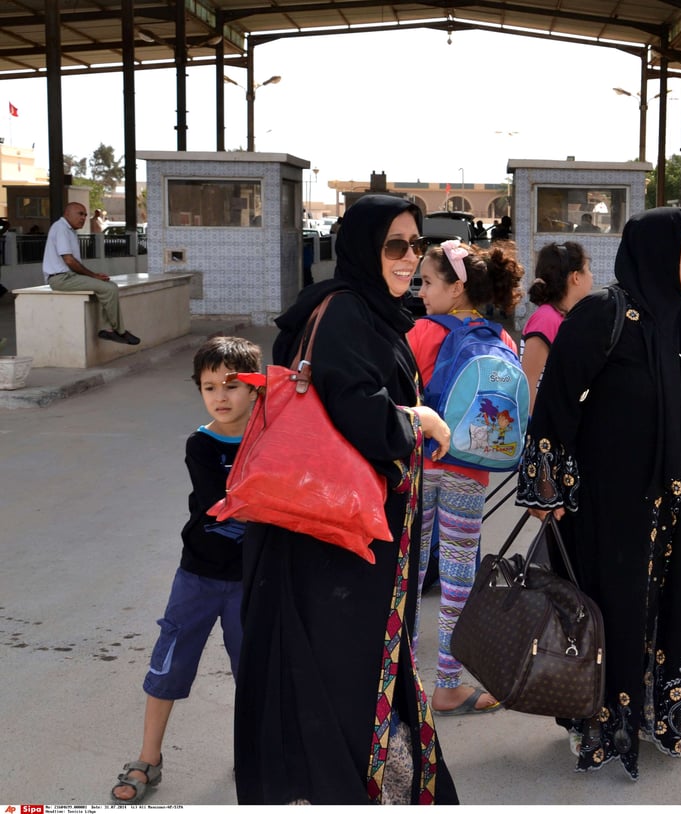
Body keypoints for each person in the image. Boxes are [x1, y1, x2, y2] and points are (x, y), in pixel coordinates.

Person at [517, 207, 681, 778]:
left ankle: (666, 715)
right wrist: (544, 484)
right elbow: (553, 407)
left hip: (672, 499)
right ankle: (602, 721)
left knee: (673, 607)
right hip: (609, 506)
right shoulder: (602, 315)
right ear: (660, 252)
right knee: (611, 610)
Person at [235, 195, 459, 804]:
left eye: (418, 245)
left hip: (342, 531)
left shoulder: (364, 311)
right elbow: (360, 413)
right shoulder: (346, 315)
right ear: (363, 248)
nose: (410, 258)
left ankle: (351, 785)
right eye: (395, 246)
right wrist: (420, 419)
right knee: (344, 671)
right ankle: (349, 789)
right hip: (337, 541)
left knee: (347, 669)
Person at [108, 336, 261, 803]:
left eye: (232, 385)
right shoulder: (202, 444)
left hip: (252, 580)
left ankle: (255, 755)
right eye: (209, 386)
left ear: (256, 388)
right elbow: (225, 502)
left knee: (254, 672)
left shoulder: (273, 437)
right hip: (197, 575)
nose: (220, 396)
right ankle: (148, 757)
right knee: (169, 663)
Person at [406, 239, 524, 715]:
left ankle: (403, 682)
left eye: (428, 282)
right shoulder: (504, 340)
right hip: (471, 469)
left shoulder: (417, 334)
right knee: (458, 579)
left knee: (408, 576)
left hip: (419, 464)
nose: (420, 291)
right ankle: (449, 685)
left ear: (457, 288)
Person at [42, 202, 140, 345]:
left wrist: (93, 276)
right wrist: (93, 276)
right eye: (80, 214)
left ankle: (110, 329)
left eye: (85, 214)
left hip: (68, 277)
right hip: (60, 279)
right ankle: (119, 331)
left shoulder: (68, 229)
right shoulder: (60, 228)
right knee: (109, 288)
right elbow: (69, 260)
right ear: (67, 214)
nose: (83, 218)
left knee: (108, 285)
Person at [520, 241, 594, 411]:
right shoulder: (546, 319)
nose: (591, 276)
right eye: (588, 269)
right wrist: (536, 430)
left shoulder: (564, 316)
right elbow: (528, 383)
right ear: (576, 277)